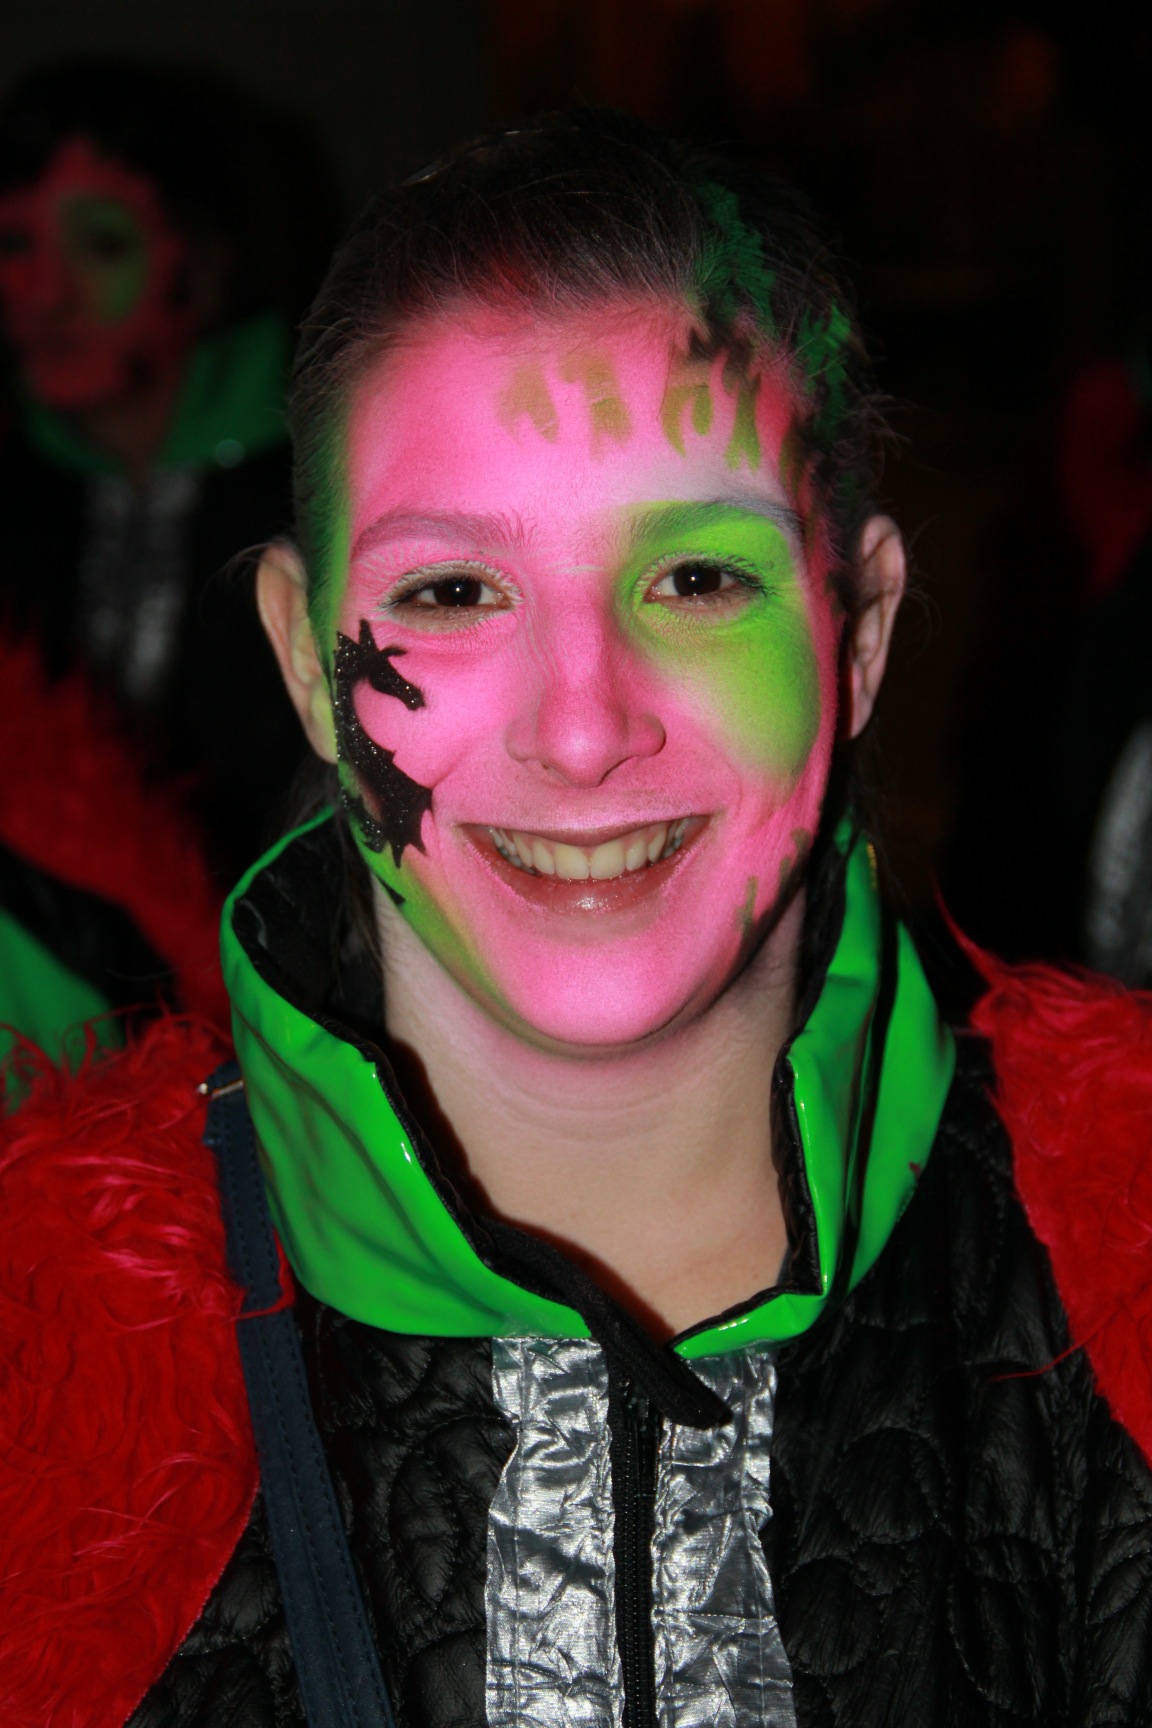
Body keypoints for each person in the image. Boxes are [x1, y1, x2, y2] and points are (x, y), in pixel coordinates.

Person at [4, 109, 1152, 1728]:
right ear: (305, 659)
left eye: (697, 580)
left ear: (861, 628)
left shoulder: (1119, 1279)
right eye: (452, 591)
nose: (584, 727)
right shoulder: (43, 1357)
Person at [0, 59, 323, 880]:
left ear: (207, 263)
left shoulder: (324, 486)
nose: (42, 293)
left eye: (103, 245)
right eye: (14, 244)